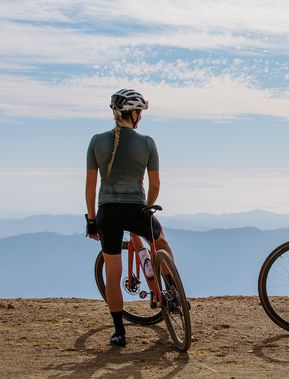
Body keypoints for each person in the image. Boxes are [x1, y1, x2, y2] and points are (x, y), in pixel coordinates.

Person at [85, 89, 174, 347]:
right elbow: (155, 185)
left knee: (114, 272)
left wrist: (91, 219)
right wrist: (146, 206)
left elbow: (91, 186)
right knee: (163, 243)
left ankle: (119, 332)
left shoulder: (96, 141)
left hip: (108, 211)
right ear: (134, 114)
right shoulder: (147, 143)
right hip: (137, 209)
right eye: (140, 113)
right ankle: (172, 291)